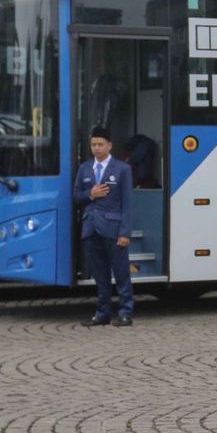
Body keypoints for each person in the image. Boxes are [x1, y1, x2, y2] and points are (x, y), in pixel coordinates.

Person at [74, 126, 135, 327]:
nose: (97, 148)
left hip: (114, 228)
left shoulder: (122, 169)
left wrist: (125, 232)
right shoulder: (84, 168)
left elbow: (127, 203)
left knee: (121, 273)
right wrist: (90, 194)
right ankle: (103, 313)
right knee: (100, 275)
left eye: (100, 144)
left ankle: (125, 312)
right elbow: (76, 197)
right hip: (91, 228)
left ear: (109, 145)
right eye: (93, 145)